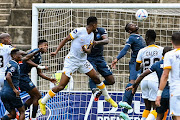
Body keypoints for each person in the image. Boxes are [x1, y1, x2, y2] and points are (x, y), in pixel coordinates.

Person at [38, 16, 118, 115]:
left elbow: (89, 50)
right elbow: (66, 39)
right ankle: (43, 101)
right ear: (93, 25)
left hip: (83, 61)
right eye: (96, 25)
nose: (96, 27)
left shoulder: (92, 35)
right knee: (61, 86)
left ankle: (107, 97)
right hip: (71, 61)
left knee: (96, 78)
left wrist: (86, 50)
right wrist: (56, 51)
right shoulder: (79, 31)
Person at [111, 23, 146, 119]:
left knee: (134, 89)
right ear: (130, 31)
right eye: (131, 25)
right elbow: (125, 49)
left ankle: (124, 113)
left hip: (142, 65)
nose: (134, 24)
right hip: (135, 64)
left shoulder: (139, 37)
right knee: (132, 83)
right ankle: (124, 101)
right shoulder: (131, 37)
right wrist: (116, 59)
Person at [126, 47, 172, 120]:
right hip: (173, 93)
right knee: (176, 115)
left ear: (162, 54)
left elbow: (142, 75)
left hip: (161, 94)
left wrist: (134, 85)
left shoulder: (157, 64)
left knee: (158, 115)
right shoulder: (176, 64)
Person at [1, 48, 43, 120]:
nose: (20, 56)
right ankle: (33, 118)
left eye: (21, 55)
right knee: (22, 111)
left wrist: (36, 52)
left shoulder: (10, 63)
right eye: (19, 55)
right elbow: (8, 76)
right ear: (14, 56)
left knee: (12, 114)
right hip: (11, 92)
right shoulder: (14, 65)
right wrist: (14, 89)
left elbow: (26, 57)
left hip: (3, 93)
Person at [19, 40, 56, 120]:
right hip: (21, 76)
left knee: (33, 97)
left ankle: (21, 112)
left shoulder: (39, 57)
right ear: (40, 46)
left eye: (47, 45)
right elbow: (25, 59)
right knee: (38, 95)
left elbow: (39, 73)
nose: (46, 47)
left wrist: (49, 79)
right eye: (45, 45)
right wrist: (40, 66)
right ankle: (33, 117)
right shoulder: (35, 51)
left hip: (23, 76)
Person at [156, 32, 180, 120]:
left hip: (176, 90)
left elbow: (165, 75)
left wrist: (159, 94)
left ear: (172, 42)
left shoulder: (169, 55)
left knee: (177, 116)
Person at [87, 27, 115, 101]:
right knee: (94, 74)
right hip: (89, 58)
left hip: (100, 58)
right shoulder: (85, 33)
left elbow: (106, 40)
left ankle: (99, 86)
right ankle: (94, 91)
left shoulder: (100, 30)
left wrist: (96, 42)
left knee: (111, 80)